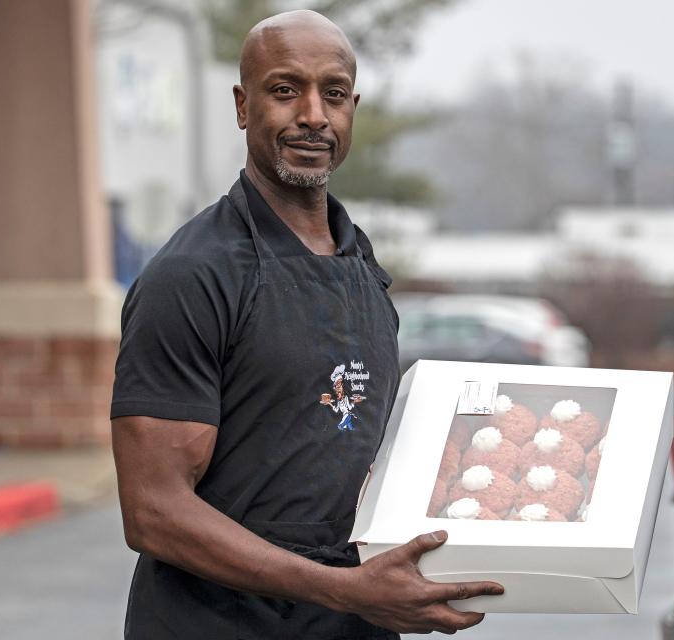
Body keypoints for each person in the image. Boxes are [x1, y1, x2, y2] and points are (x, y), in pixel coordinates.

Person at [110, 10, 503, 639]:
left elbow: (348, 447)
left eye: (335, 94)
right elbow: (153, 511)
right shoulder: (193, 275)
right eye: (285, 90)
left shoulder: (361, 265)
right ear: (243, 106)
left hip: (356, 623)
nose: (314, 115)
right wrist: (345, 589)